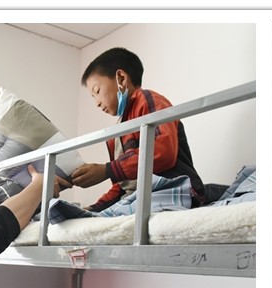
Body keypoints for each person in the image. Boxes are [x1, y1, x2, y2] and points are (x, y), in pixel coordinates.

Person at [69, 47, 205, 211]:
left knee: (126, 209)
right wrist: (94, 208)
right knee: (102, 214)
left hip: (172, 188)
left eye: (97, 91)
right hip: (139, 197)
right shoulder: (117, 133)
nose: (97, 103)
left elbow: (163, 152)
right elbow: (122, 186)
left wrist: (107, 170)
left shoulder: (149, 101)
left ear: (121, 78)